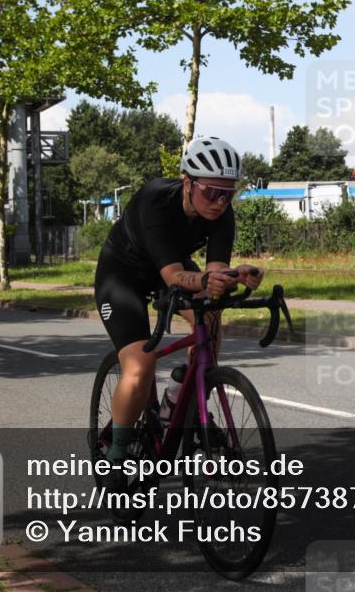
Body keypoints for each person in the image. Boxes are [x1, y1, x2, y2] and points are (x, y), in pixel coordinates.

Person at [93, 136, 263, 469]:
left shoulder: (222, 216)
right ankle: (116, 455)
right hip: (122, 275)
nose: (220, 202)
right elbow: (173, 277)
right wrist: (205, 281)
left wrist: (235, 276)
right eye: (213, 192)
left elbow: (213, 278)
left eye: (229, 194)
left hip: (168, 269)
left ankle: (177, 398)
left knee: (210, 318)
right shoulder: (155, 201)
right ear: (188, 183)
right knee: (141, 366)